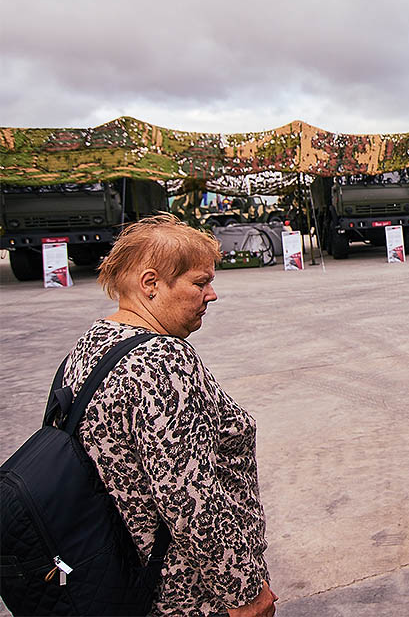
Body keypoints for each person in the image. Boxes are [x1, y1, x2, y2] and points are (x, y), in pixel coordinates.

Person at [65, 214, 276, 617]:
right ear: (151, 284)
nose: (211, 295)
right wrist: (245, 592)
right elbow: (190, 497)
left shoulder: (93, 343)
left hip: (129, 577)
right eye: (200, 283)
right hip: (186, 593)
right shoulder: (161, 361)